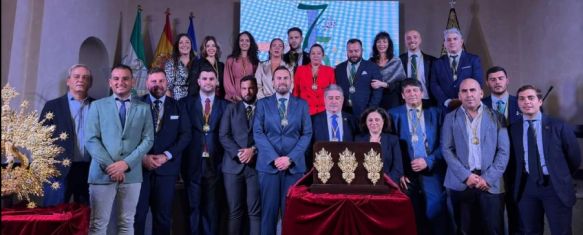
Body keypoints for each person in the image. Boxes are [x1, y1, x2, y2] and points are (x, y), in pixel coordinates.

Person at [85, 64, 154, 235]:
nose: (120, 82)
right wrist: (112, 166)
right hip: (102, 173)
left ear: (133, 81)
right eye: (116, 78)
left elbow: (148, 139)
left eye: (125, 78)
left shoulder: (144, 108)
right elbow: (91, 139)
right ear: (110, 82)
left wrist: (126, 164)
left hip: (132, 175)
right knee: (98, 224)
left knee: (126, 223)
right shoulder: (97, 106)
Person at [510, 85, 581, 235]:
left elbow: (574, 157)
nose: (526, 102)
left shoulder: (558, 125)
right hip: (527, 188)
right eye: (521, 99)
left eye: (531, 98)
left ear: (540, 101)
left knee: (561, 231)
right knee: (530, 231)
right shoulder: (513, 129)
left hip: (555, 187)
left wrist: (560, 175)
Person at [441, 78, 509, 235]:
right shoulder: (450, 118)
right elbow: (446, 149)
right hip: (461, 182)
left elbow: (503, 151)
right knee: (464, 230)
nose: (469, 94)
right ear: (459, 95)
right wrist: (466, 176)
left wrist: (488, 178)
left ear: (481, 93)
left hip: (490, 183)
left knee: (493, 229)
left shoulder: (497, 117)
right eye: (464, 91)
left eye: (472, 90)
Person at [253, 66, 312, 235]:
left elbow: (307, 133)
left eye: (286, 78)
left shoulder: (301, 105)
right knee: (268, 214)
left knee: (292, 214)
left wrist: (290, 158)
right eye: (278, 78)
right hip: (268, 167)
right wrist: (274, 158)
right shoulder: (262, 104)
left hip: (293, 168)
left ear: (291, 82)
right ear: (272, 82)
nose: (282, 81)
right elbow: (258, 132)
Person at [134, 68, 192, 235]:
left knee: (164, 217)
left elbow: (185, 135)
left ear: (167, 83)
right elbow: (128, 136)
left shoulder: (178, 107)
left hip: (167, 171)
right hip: (140, 170)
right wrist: (142, 157)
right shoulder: (136, 105)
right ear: (146, 83)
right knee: (138, 217)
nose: (157, 84)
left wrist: (166, 156)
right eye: (153, 81)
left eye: (161, 81)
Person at [389, 78, 449, 235]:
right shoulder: (393, 114)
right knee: (407, 214)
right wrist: (399, 172)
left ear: (422, 93)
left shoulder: (436, 113)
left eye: (415, 90)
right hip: (406, 173)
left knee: (435, 212)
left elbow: (445, 145)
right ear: (402, 95)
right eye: (408, 91)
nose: (412, 94)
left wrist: (428, 161)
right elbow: (391, 147)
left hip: (431, 169)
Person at [181, 66, 227, 235]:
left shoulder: (226, 106)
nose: (208, 82)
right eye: (205, 79)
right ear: (198, 81)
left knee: (212, 210)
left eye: (211, 79)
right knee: (192, 208)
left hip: (216, 164)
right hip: (191, 163)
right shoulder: (185, 104)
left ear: (216, 82)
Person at [40, 64, 94, 206]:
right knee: (53, 216)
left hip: (88, 170)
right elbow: (41, 138)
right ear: (68, 81)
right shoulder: (53, 106)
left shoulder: (98, 106)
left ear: (90, 83)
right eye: (76, 77)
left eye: (85, 78)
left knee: (85, 218)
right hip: (57, 170)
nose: (80, 80)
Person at [219, 75, 261, 235]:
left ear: (256, 88)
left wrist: (254, 150)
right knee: (234, 212)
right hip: (232, 167)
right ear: (239, 90)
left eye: (250, 88)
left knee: (255, 212)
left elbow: (269, 135)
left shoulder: (264, 108)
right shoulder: (231, 109)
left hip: (255, 167)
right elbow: (224, 135)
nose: (247, 91)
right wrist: (240, 154)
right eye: (243, 88)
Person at [482, 66, 521, 235]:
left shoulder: (521, 102)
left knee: (517, 213)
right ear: (487, 83)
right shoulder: (480, 105)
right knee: (493, 216)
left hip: (517, 165)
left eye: (500, 78)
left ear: (507, 80)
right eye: (493, 79)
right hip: (490, 168)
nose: (497, 82)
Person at [430, 28, 483, 111]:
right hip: (445, 108)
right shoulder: (437, 63)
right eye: (448, 40)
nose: (452, 42)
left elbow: (478, 81)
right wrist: (446, 101)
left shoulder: (473, 59)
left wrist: (464, 99)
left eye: (455, 39)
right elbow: (433, 84)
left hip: (468, 106)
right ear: (444, 44)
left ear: (461, 41)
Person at [310, 84, 357, 169]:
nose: (334, 101)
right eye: (330, 98)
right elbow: (308, 148)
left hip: (347, 168)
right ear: (324, 99)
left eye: (337, 98)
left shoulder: (352, 120)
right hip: (321, 168)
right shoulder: (313, 120)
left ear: (342, 100)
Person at [335, 38, 383, 119]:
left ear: (362, 50)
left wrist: (370, 110)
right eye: (350, 51)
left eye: (356, 51)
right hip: (343, 113)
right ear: (346, 51)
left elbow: (378, 91)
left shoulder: (372, 67)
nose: (353, 54)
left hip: (364, 113)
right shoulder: (339, 68)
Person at [355, 107, 403, 183]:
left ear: (383, 121)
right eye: (370, 120)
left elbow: (398, 168)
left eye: (377, 120)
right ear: (366, 122)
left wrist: (386, 182)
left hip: (387, 184)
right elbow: (356, 166)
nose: (373, 123)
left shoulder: (393, 140)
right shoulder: (358, 140)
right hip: (364, 184)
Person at [293, 44, 335, 115]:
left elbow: (332, 92)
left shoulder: (330, 71)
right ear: (309, 56)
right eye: (313, 53)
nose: (316, 56)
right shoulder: (300, 70)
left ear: (323, 56)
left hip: (324, 112)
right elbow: (296, 92)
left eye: (319, 53)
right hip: (304, 111)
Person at [399, 30, 437, 106]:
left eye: (415, 37)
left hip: (427, 101)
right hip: (406, 102)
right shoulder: (398, 60)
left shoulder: (432, 61)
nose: (412, 40)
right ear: (405, 41)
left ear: (420, 40)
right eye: (408, 38)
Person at [370, 31, 406, 109]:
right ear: (375, 44)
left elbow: (401, 84)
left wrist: (384, 84)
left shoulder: (396, 61)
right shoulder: (371, 61)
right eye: (378, 42)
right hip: (374, 99)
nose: (381, 44)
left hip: (392, 99)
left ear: (389, 44)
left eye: (384, 42)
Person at [224, 31, 259, 103]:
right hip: (234, 99)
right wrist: (234, 95)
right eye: (241, 40)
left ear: (250, 43)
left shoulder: (255, 61)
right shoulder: (231, 60)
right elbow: (227, 80)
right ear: (238, 43)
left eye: (247, 41)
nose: (244, 43)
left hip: (251, 97)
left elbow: (257, 81)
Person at [165, 33, 196, 100]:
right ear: (177, 46)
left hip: (194, 101)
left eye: (187, 42)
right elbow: (167, 88)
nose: (184, 45)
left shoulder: (197, 62)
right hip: (177, 101)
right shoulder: (171, 63)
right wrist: (171, 104)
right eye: (181, 43)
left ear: (191, 45)